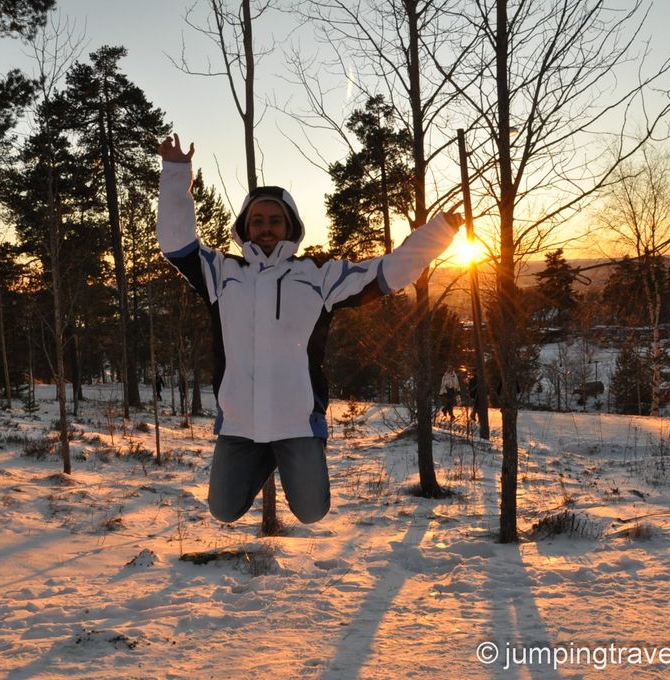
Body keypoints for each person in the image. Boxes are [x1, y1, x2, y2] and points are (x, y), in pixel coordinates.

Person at [156, 133, 461, 524]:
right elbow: (176, 243)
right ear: (245, 227)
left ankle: (283, 452)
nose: (266, 228)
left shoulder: (318, 276)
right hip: (240, 422)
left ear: (290, 226)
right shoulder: (221, 274)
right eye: (258, 220)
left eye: (275, 221)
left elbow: (388, 270)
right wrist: (177, 173)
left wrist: (438, 234)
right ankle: (266, 455)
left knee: (312, 511)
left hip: (296, 421)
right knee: (223, 509)